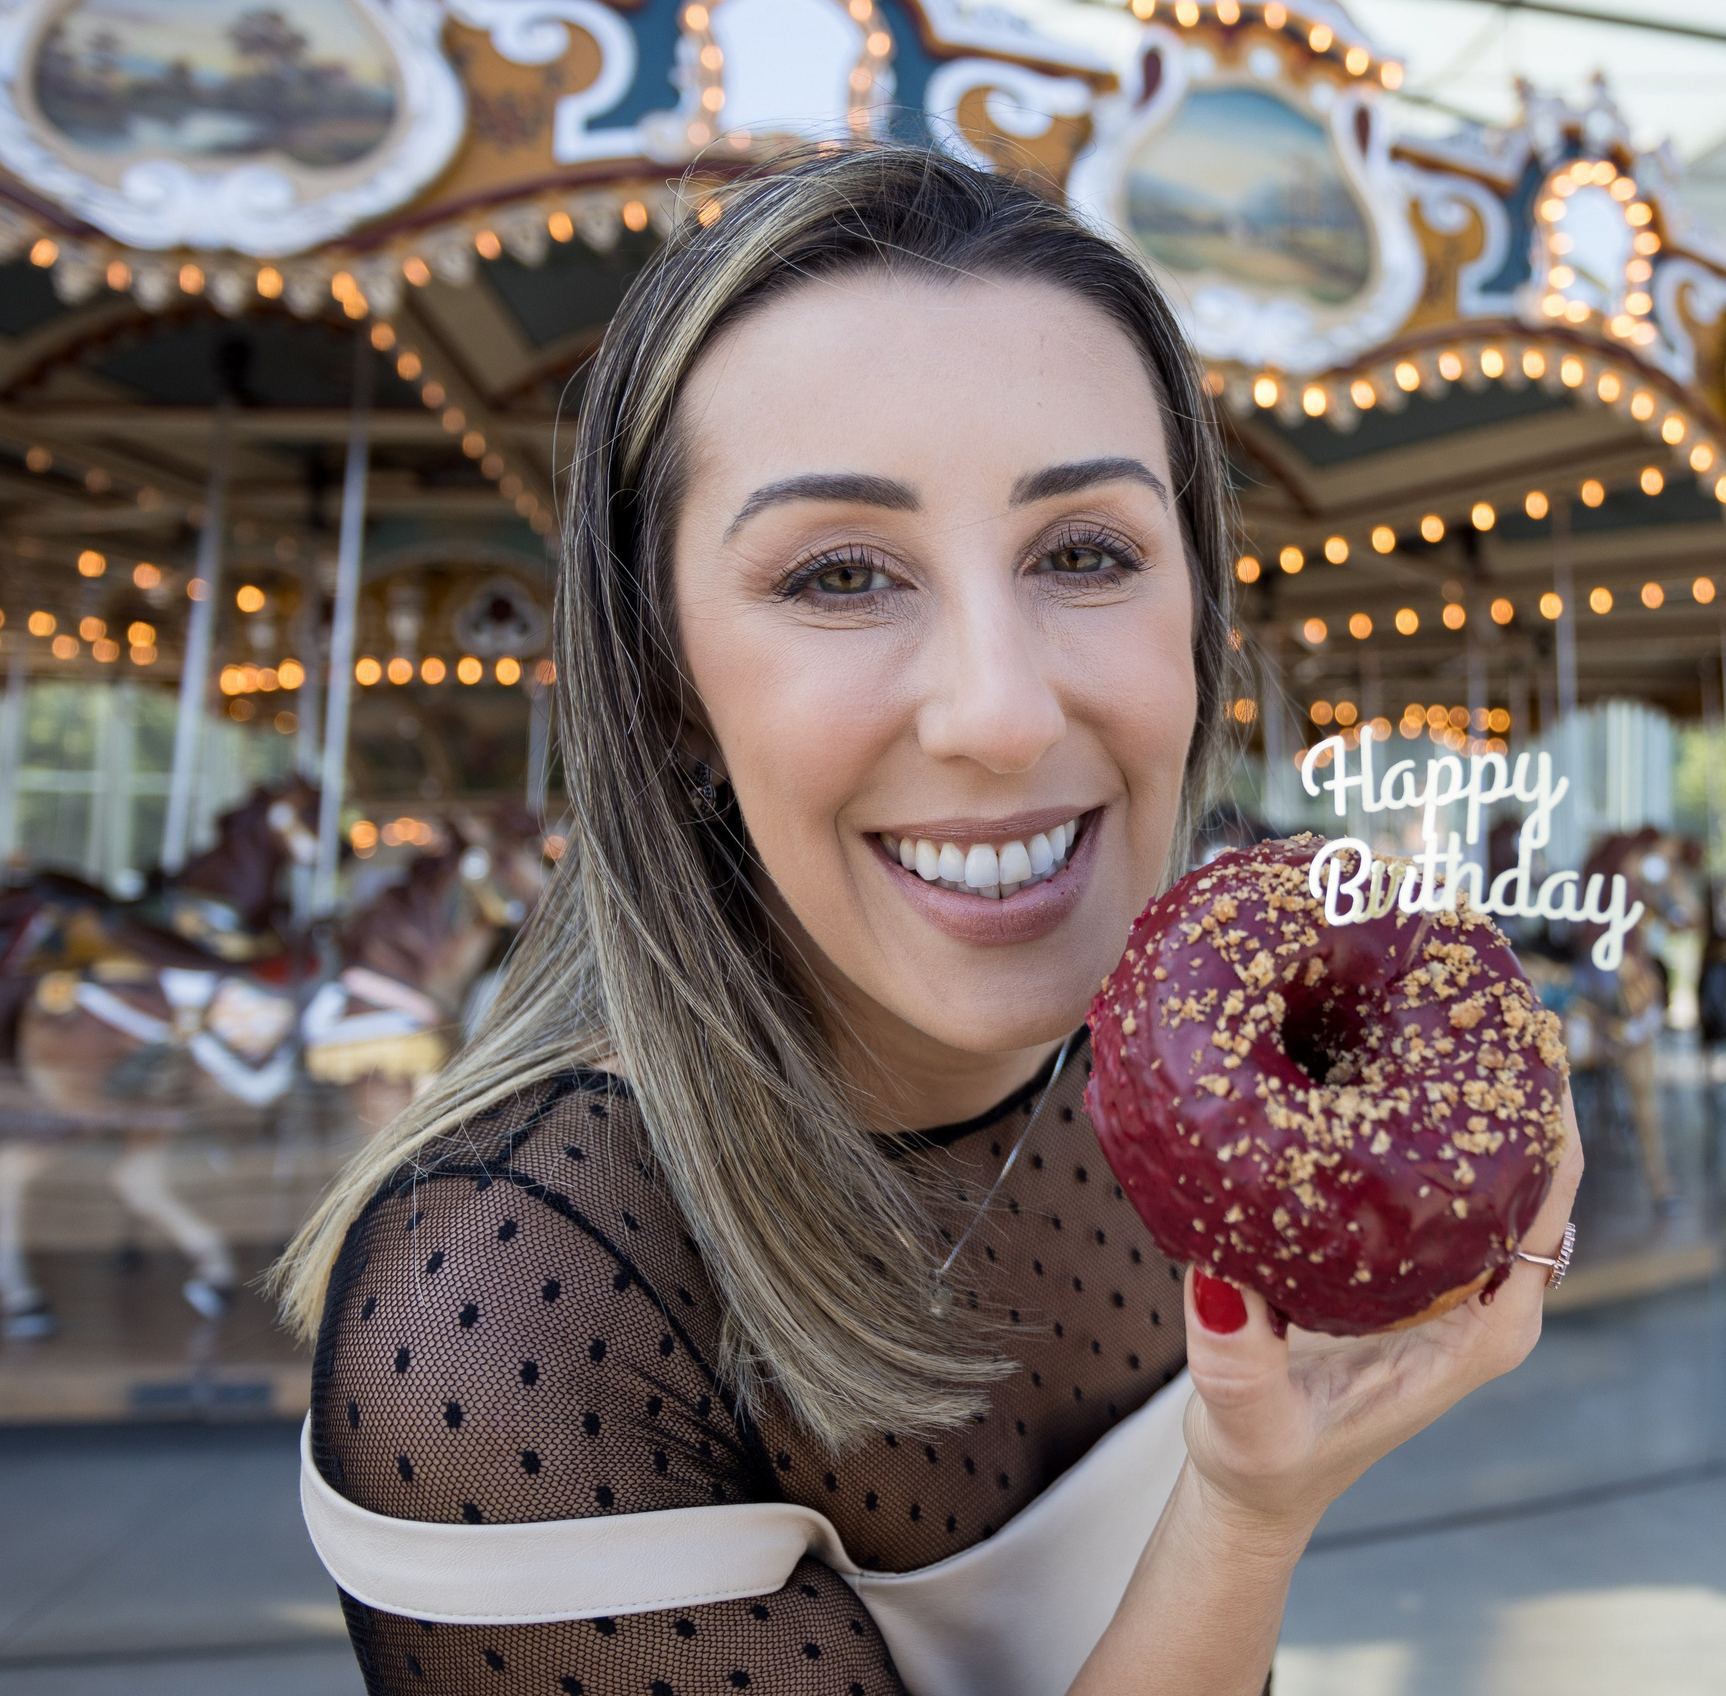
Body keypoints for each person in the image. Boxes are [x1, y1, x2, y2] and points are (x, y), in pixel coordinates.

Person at [271, 146, 1579, 1696]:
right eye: (840, 576)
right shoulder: (514, 1306)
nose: (1002, 714)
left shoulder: (1165, 1108)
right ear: (667, 685)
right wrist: (1245, 1519)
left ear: (1198, 620)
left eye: (1085, 553)